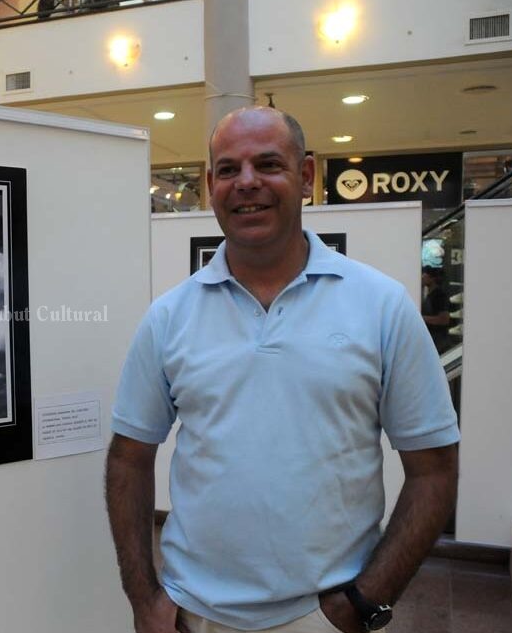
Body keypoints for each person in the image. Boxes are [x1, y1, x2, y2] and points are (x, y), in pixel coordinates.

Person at [105, 107, 459, 633]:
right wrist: (144, 599)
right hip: (193, 614)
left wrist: (365, 603)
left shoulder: (380, 305)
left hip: (324, 615)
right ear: (209, 185)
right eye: (228, 170)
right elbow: (129, 461)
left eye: (268, 164)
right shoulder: (169, 317)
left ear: (307, 176)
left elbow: (434, 470)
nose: (247, 183)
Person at [421, 267, 451, 353]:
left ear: (432, 278)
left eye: (424, 275)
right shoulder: (429, 295)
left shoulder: (439, 295)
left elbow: (444, 319)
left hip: (438, 340)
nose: (422, 277)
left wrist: (422, 318)